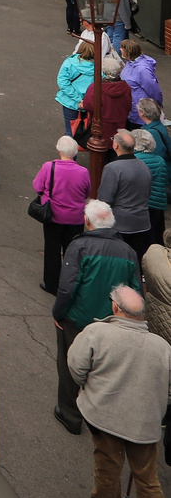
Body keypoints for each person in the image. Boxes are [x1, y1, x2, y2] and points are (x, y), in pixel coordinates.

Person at [67, 284, 170, 498]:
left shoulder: (96, 333)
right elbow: (169, 392)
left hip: (105, 418)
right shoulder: (164, 348)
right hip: (145, 425)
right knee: (148, 479)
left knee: (108, 471)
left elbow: (76, 369)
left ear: (115, 307)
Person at [53, 200, 142, 435]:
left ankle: (71, 416)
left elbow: (67, 287)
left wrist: (58, 313)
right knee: (103, 370)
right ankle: (98, 420)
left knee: (70, 364)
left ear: (87, 221)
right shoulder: (128, 252)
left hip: (78, 320)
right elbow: (136, 292)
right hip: (112, 324)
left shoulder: (79, 247)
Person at [35, 137, 93, 294]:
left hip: (53, 216)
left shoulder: (49, 167)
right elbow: (87, 192)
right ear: (74, 153)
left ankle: (51, 284)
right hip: (75, 218)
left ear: (58, 150)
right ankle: (71, 283)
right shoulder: (83, 172)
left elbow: (37, 186)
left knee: (52, 249)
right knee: (72, 251)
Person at [100, 129, 155, 258]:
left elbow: (105, 200)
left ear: (116, 145)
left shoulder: (112, 168)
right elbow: (148, 193)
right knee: (134, 261)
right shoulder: (144, 167)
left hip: (120, 225)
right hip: (142, 223)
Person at [83, 59, 134, 149]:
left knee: (101, 150)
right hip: (120, 123)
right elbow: (129, 104)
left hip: (102, 125)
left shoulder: (96, 87)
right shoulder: (126, 87)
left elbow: (88, 105)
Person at [136, 127, 170, 250]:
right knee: (156, 238)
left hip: (144, 204)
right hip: (158, 204)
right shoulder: (160, 160)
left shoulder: (137, 161)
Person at [57, 43, 95, 139]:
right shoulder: (98, 67)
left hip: (70, 102)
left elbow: (63, 82)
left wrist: (77, 99)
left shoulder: (70, 62)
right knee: (88, 130)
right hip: (89, 104)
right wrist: (86, 101)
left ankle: (70, 153)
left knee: (70, 132)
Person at [122, 40, 163, 125]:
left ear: (128, 52)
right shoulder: (130, 62)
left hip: (139, 111)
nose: (120, 49)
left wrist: (158, 104)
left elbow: (153, 89)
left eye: (122, 48)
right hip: (131, 108)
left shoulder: (142, 70)